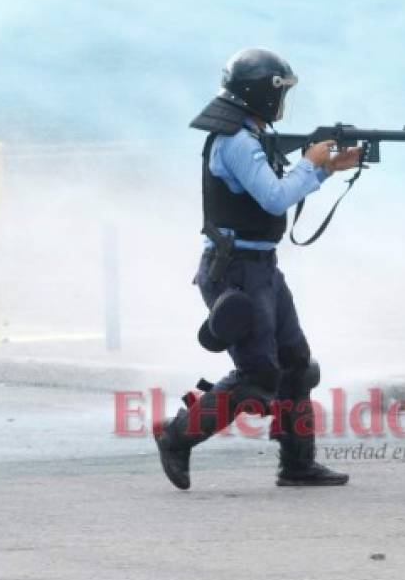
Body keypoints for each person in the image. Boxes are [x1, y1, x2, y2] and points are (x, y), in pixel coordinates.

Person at [153, 48, 360, 490]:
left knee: (296, 364)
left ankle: (297, 463)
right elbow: (275, 198)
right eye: (280, 92)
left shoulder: (249, 133)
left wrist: (326, 170)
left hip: (261, 266)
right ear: (263, 94)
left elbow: (278, 190)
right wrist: (310, 161)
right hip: (236, 272)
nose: (284, 103)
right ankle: (176, 436)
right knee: (258, 376)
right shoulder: (236, 141)